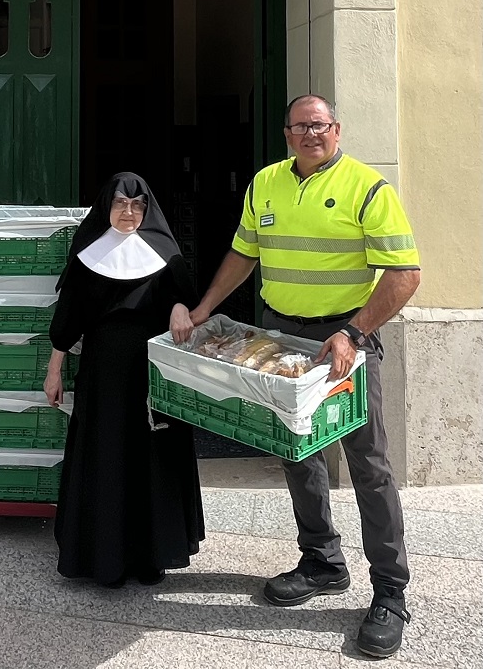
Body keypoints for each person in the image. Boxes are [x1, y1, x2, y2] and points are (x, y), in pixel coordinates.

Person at [173, 95, 420, 659]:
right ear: (286, 134)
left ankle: (390, 593)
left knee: (369, 464)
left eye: (321, 125)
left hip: (344, 342)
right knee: (296, 450)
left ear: (337, 129)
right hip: (281, 338)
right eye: (301, 126)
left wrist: (354, 334)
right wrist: (207, 305)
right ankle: (322, 561)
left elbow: (405, 273)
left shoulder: (368, 188)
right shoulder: (265, 184)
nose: (312, 133)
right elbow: (244, 253)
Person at [44, 171, 205, 587]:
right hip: (104, 375)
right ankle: (106, 560)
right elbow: (69, 318)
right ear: (106, 207)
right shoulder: (88, 254)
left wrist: (179, 306)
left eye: (137, 205)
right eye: (119, 203)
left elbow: (185, 300)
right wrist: (54, 369)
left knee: (153, 459)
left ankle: (152, 556)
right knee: (107, 457)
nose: (129, 212)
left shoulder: (165, 253)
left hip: (154, 372)